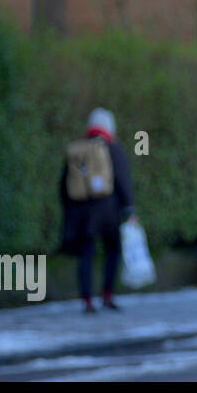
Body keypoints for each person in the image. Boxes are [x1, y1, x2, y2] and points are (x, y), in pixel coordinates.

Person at [60, 108, 135, 313]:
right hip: (108, 211)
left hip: (82, 212)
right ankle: (107, 294)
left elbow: (64, 185)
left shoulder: (78, 149)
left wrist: (70, 211)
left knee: (86, 253)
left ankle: (86, 299)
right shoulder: (112, 148)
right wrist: (129, 208)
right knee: (112, 250)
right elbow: (123, 180)